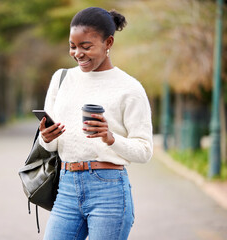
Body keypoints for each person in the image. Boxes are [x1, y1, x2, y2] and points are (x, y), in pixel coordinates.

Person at [37, 6, 153, 240]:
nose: (78, 53)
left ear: (108, 42)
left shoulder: (130, 88)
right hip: (66, 187)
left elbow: (144, 151)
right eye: (73, 46)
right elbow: (49, 146)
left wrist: (110, 138)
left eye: (86, 46)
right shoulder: (61, 79)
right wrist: (46, 138)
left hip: (108, 190)